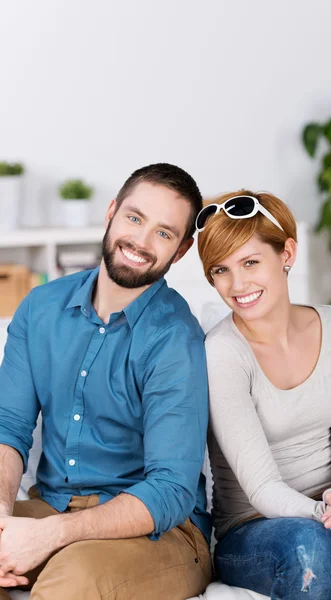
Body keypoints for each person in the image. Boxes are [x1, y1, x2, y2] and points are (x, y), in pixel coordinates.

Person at [0, 163, 212, 600]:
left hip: (160, 532)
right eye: (135, 218)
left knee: (72, 581)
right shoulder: (40, 308)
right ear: (111, 212)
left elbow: (170, 490)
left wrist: (53, 535)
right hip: (51, 503)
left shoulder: (175, 337)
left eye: (164, 233)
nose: (140, 241)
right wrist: (2, 515)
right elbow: (8, 428)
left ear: (183, 249)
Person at [197, 190, 331, 600]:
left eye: (251, 262)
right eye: (220, 270)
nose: (237, 285)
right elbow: (261, 486)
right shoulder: (222, 351)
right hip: (255, 525)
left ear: (286, 253)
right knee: (311, 548)